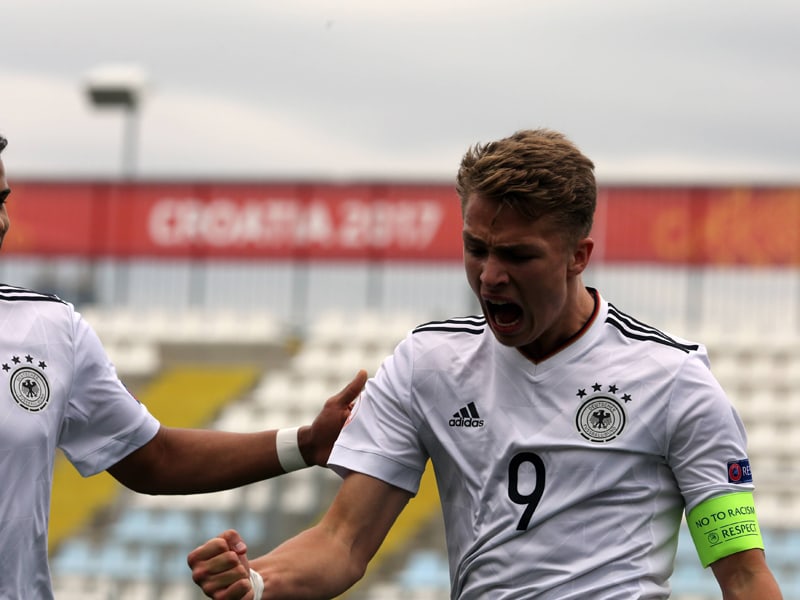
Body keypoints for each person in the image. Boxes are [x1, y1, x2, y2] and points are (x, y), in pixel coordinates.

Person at [187, 129, 783, 599]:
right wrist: (258, 583)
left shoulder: (675, 381)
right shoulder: (428, 366)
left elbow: (744, 577)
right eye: (476, 248)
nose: (490, 275)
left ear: (580, 257)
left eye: (518, 255)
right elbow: (341, 542)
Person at [0, 133, 367, 599]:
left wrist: (306, 444)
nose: (2, 221)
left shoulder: (50, 330)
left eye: (3, 199)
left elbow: (155, 458)